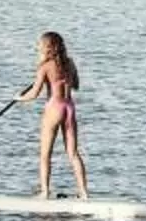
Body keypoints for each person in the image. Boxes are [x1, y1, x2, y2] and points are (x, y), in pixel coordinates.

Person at [16, 29, 91, 200]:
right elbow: (76, 85)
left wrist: (19, 98)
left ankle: (45, 192)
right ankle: (84, 192)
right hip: (69, 107)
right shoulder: (70, 63)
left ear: (47, 48)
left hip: (54, 108)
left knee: (45, 154)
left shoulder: (44, 66)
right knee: (73, 153)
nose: (38, 48)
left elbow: (34, 94)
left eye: (40, 45)